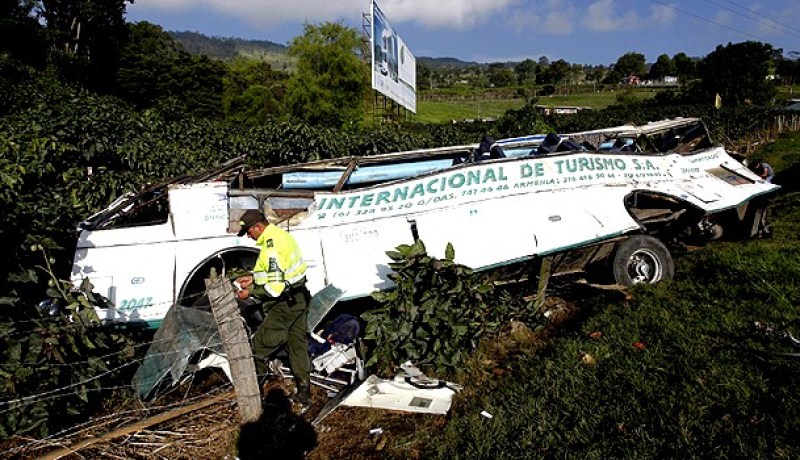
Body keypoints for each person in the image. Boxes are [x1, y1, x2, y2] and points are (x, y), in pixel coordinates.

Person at [235, 209, 312, 411]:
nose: (250, 238)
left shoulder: (271, 247)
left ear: (257, 227)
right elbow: (277, 272)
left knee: (260, 346)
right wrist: (253, 277)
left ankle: (253, 396)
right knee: (297, 346)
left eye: (249, 233)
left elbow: (274, 288)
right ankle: (304, 394)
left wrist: (250, 291)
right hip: (298, 299)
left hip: (284, 304)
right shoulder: (280, 236)